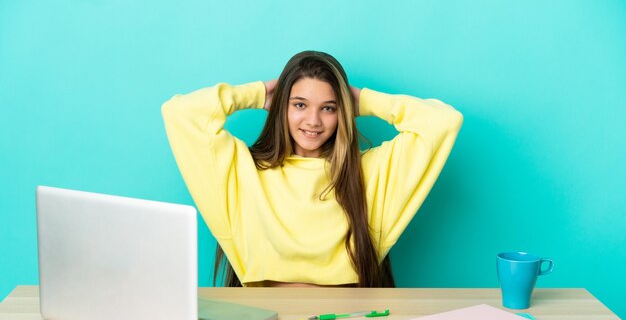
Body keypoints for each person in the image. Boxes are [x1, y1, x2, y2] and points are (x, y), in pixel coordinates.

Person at [161, 50, 462, 288]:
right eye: (300, 105)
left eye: (328, 108)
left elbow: (442, 122)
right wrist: (256, 93)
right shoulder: (244, 172)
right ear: (282, 106)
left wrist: (362, 100)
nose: (313, 121)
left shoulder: (369, 173)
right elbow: (180, 113)